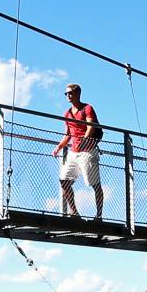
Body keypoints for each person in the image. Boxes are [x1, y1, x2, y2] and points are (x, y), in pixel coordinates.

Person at [52, 82, 103, 221]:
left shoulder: (87, 108)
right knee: (64, 180)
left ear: (77, 93)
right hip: (73, 152)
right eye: (66, 93)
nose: (68, 95)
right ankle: (74, 213)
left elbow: (90, 126)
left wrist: (85, 141)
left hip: (88, 151)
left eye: (70, 93)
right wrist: (59, 147)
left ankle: (99, 216)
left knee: (94, 184)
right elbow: (67, 134)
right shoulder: (67, 113)